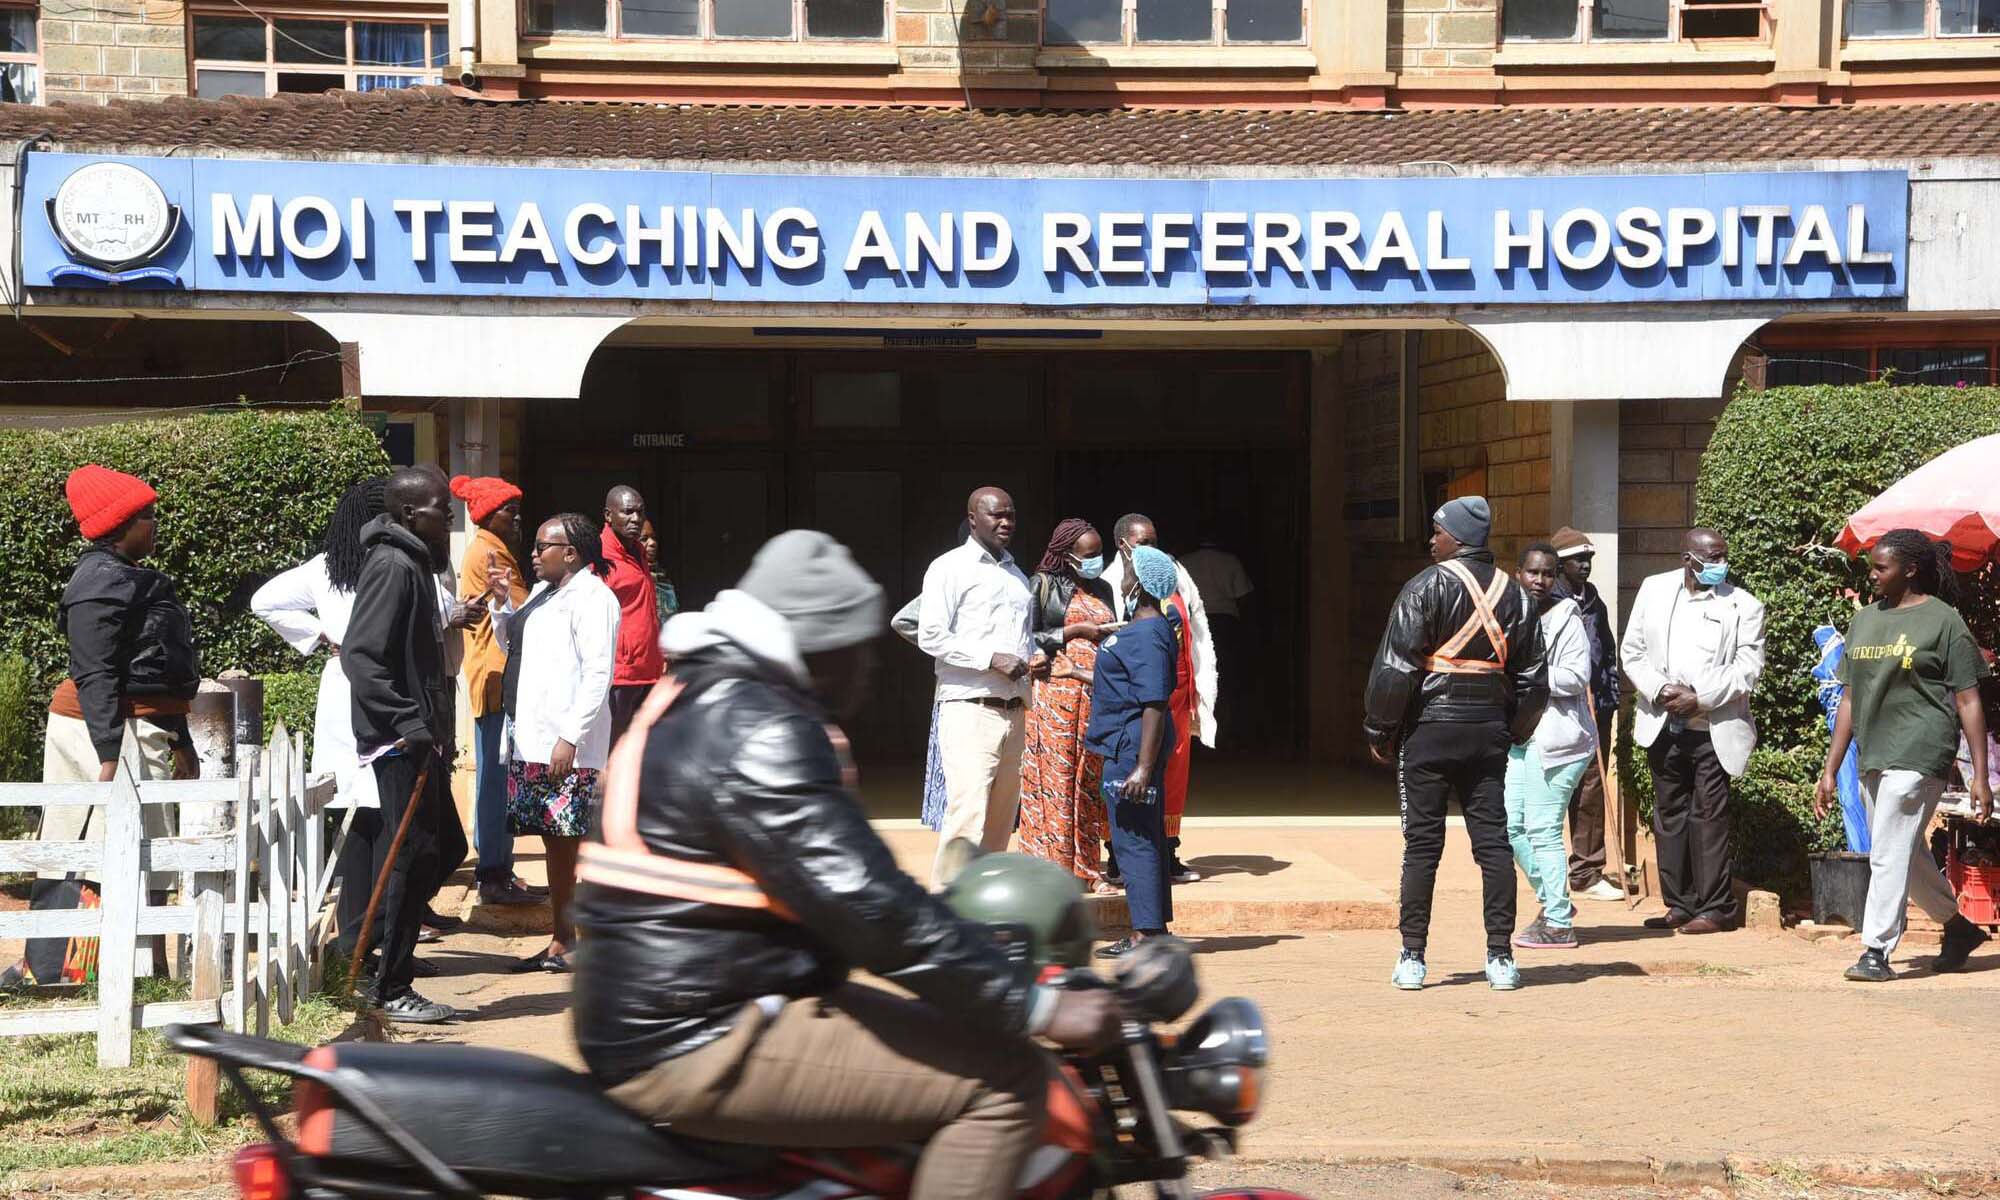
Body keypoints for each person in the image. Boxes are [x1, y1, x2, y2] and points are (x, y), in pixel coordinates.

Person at [571, 530, 1120, 1200]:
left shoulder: (693, 694)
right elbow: (866, 905)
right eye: (856, 646)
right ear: (818, 645)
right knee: (1007, 1082)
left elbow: (854, 898)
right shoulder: (760, 725)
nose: (868, 667)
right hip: (699, 1031)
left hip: (678, 999)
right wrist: (1030, 1002)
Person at [8, 466, 201, 988]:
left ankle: (148, 967)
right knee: (89, 843)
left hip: (139, 727)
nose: (156, 524)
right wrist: (108, 751)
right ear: (121, 524)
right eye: (148, 516)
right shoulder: (97, 584)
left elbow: (158, 664)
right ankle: (66, 969)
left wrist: (180, 738)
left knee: (149, 844)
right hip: (100, 730)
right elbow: (95, 673)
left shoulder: (127, 575)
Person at [1363, 496, 1548, 992]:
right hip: (1488, 733)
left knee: (1422, 846)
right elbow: (1534, 679)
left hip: (1429, 732)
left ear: (1459, 537)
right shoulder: (1517, 595)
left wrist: (1380, 729)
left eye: (1438, 531)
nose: (1431, 540)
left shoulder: (1425, 587)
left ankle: (1412, 956)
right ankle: (1501, 957)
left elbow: (1396, 669)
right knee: (1493, 845)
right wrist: (1514, 729)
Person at [1816, 529, 1993, 981]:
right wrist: (1831, 769)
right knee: (1902, 850)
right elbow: (1850, 698)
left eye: (1881, 567)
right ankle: (1957, 928)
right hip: (1874, 751)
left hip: (1922, 749)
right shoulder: (1864, 621)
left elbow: (1968, 698)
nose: (1872, 575)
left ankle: (1875, 950)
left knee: (1888, 851)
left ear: (1910, 570)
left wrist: (1979, 775)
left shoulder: (1943, 622)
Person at [342, 467, 466, 1024]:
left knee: (440, 851)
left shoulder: (413, 561)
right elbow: (362, 656)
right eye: (443, 510)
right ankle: (389, 984)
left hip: (419, 735)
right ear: (412, 514)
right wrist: (407, 720)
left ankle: (376, 959)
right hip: (399, 739)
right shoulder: (392, 565)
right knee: (412, 856)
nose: (450, 518)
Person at [1620, 527, 1766, 935]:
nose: (1721, 564)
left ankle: (1716, 908)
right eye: (1713, 558)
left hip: (1712, 728)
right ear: (1688, 559)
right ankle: (1680, 904)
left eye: (1723, 556)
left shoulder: (1743, 606)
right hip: (1663, 721)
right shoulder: (1654, 590)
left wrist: (1699, 698)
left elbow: (1747, 670)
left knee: (1708, 817)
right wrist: (1660, 689)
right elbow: (1632, 651)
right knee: (1670, 814)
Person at [498, 512, 621, 974]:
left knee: (570, 840)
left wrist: (570, 737)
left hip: (567, 744)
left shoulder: (594, 598)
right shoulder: (542, 594)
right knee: (554, 841)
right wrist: (500, 606)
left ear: (570, 553)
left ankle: (577, 941)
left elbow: (598, 673)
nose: (533, 554)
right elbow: (514, 646)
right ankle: (561, 939)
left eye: (541, 546)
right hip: (533, 738)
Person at [916, 488, 1034, 888]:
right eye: (996, 515)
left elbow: (1023, 642)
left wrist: (1033, 660)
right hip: (970, 709)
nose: (1006, 522)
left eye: (1011, 515)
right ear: (972, 519)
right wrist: (990, 658)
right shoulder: (949, 568)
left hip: (1014, 710)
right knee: (967, 815)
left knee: (1001, 822)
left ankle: (983, 906)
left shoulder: (1017, 578)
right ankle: (945, 908)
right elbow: (931, 635)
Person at [1082, 545, 1184, 958]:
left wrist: (1142, 767)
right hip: (1129, 743)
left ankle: (1145, 935)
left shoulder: (1146, 634)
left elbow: (1154, 702)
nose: (1120, 576)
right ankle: (1154, 929)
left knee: (1133, 841)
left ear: (1139, 584)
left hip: (1131, 748)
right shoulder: (1147, 629)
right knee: (1144, 836)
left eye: (1126, 570)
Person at [1102, 514, 1215, 885]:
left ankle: (1167, 852)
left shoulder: (1175, 574)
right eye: (1143, 543)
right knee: (1130, 771)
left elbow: (1197, 629)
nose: (1152, 549)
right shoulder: (1110, 581)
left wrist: (1199, 687)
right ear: (1122, 544)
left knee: (1173, 776)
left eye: (1154, 540)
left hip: (1177, 694)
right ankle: (1120, 857)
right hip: (1135, 696)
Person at [451, 474, 539, 908]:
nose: (517, 518)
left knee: (500, 775)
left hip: (493, 674)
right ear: (488, 515)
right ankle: (491, 875)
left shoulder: (489, 546)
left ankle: (500, 868)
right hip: (496, 675)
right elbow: (523, 611)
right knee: (495, 780)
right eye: (510, 511)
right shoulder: (490, 551)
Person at [1506, 543, 1596, 951]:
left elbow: (1577, 677)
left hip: (1559, 740)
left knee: (1543, 829)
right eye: (1532, 572)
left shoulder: (1567, 619)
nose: (1539, 581)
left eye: (1547, 574)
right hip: (1520, 738)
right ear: (1518, 574)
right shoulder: (1509, 615)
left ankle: (1558, 924)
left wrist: (1532, 673)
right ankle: (1556, 901)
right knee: (1509, 827)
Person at [1018, 519, 1117, 889]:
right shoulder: (1043, 585)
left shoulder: (1104, 588)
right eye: (1088, 555)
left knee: (1089, 784)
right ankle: (1053, 871)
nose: (1095, 561)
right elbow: (1026, 636)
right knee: (1056, 782)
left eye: (1099, 553)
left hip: (1094, 694)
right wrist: (1074, 631)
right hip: (1055, 697)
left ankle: (1088, 870)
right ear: (1067, 555)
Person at [1549, 526, 1625, 902]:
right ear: (1560, 565)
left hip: (1596, 711)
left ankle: (1587, 871)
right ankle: (1545, 871)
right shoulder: (1546, 601)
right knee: (1551, 789)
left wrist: (1609, 697)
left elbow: (1607, 652)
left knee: (1592, 786)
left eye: (1589, 559)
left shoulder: (1594, 601)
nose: (1585, 565)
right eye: (1578, 560)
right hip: (1556, 710)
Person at [1177, 535, 1252, 752]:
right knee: (1226, 678)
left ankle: (1196, 734)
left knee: (1196, 676)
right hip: (1225, 624)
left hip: (1195, 624)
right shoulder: (1230, 561)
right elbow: (1245, 597)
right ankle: (1226, 734)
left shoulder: (1184, 562)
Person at [601, 485, 663, 742]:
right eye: (627, 512)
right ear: (608, 515)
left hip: (648, 668)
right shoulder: (599, 557)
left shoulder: (638, 551)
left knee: (639, 745)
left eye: (640, 512)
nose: (636, 519)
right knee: (614, 747)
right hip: (620, 673)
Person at [639, 518, 679, 630]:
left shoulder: (662, 577)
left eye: (653, 538)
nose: (652, 543)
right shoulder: (633, 579)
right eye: (644, 539)